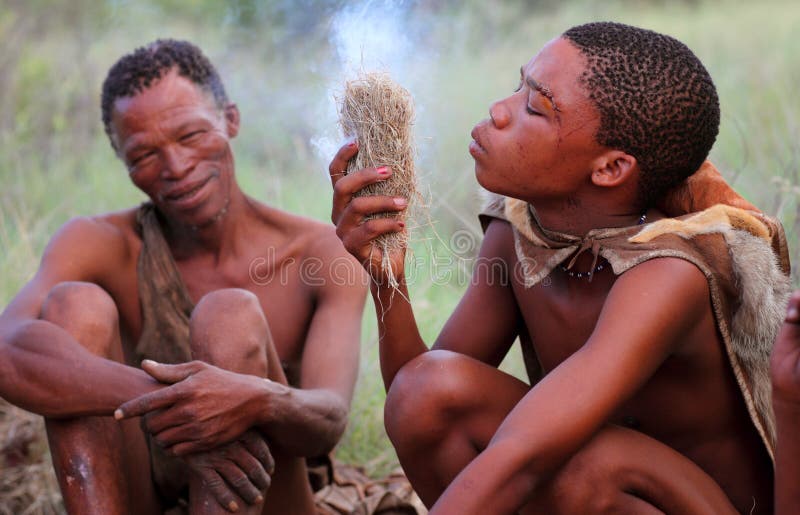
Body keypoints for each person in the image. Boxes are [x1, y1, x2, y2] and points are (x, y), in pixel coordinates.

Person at [329, 21, 791, 514]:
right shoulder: (518, 234)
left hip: (701, 504)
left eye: (535, 108)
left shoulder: (669, 271)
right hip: (589, 478)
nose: (499, 111)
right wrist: (386, 276)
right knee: (428, 391)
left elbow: (526, 454)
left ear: (610, 168)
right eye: (517, 86)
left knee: (582, 469)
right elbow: (419, 404)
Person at [0, 39, 369, 514]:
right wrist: (178, 400)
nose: (176, 168)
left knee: (228, 315)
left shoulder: (320, 253)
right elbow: (7, 351)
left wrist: (254, 401)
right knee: (74, 306)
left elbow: (328, 419)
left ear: (229, 120)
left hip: (268, 494)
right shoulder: (97, 244)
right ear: (126, 165)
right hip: (141, 491)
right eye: (145, 155)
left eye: (191, 135)